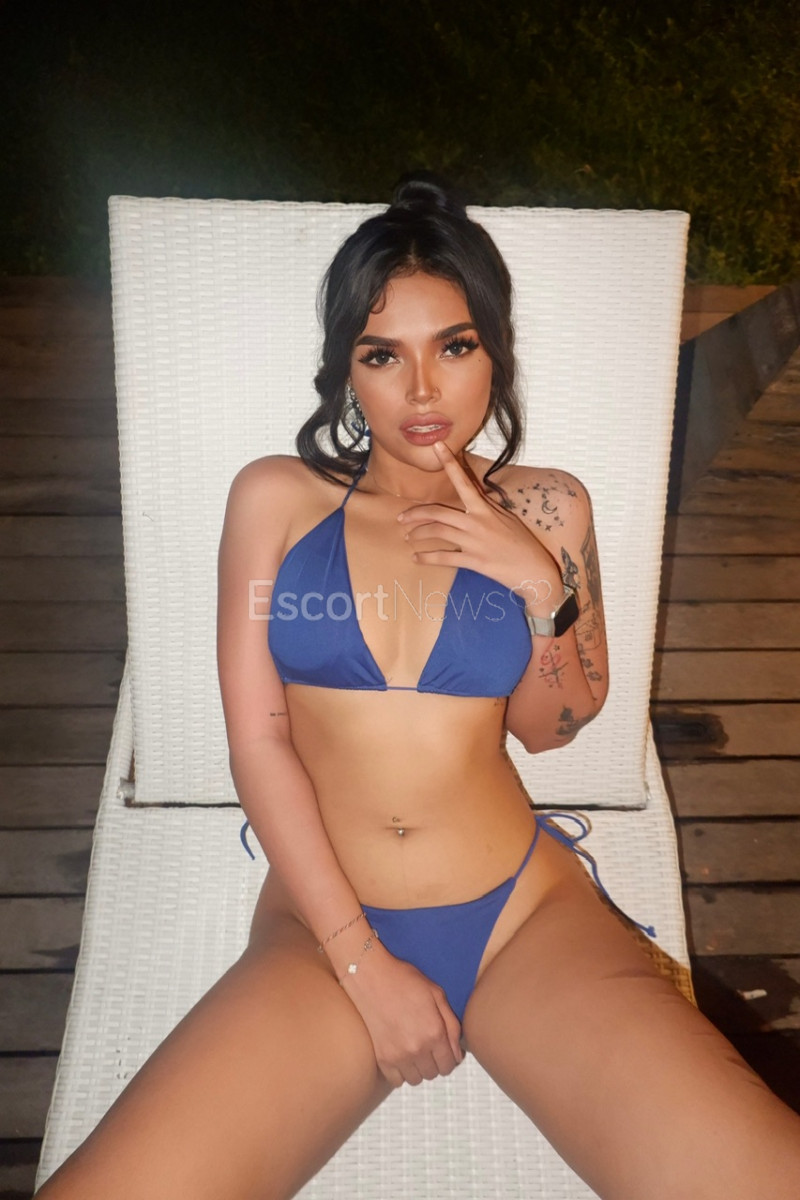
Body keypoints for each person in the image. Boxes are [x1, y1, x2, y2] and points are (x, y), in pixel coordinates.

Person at [38, 176, 800, 1200]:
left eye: (454, 346)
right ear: (345, 371)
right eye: (382, 354)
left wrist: (540, 588)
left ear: (494, 352)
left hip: (521, 918)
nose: (424, 389)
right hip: (325, 929)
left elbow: (554, 727)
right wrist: (360, 961)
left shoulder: (547, 507)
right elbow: (257, 742)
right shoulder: (276, 500)